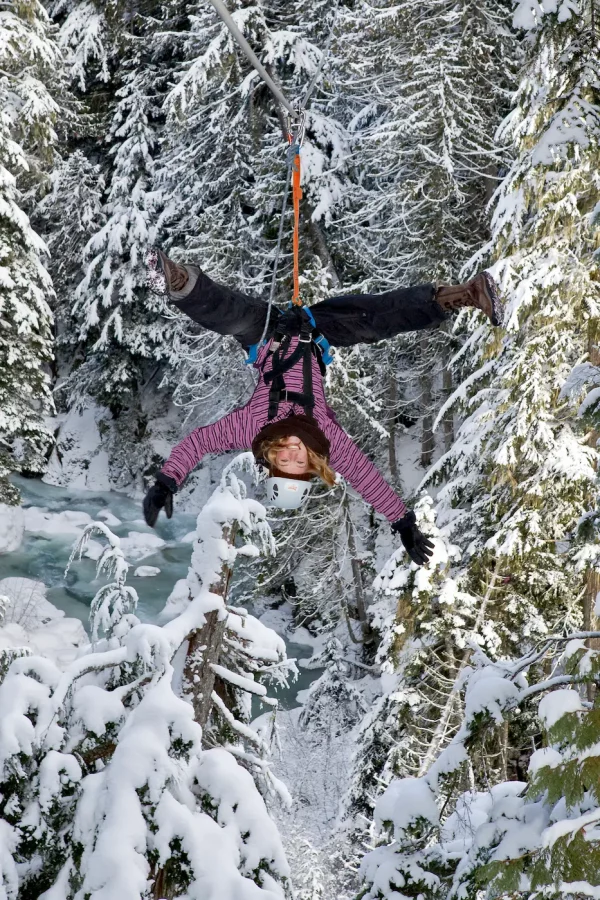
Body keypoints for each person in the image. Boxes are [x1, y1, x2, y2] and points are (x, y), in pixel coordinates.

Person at [143, 251, 503, 566]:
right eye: (299, 465)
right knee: (375, 319)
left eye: (284, 462)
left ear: (271, 459)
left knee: (231, 316)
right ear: (311, 464)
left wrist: (166, 482)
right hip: (317, 334)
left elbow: (197, 443)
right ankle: (470, 293)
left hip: (267, 334)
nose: (293, 455)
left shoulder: (252, 427)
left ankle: (174, 278)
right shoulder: (326, 440)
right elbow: (367, 480)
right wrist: (403, 523)